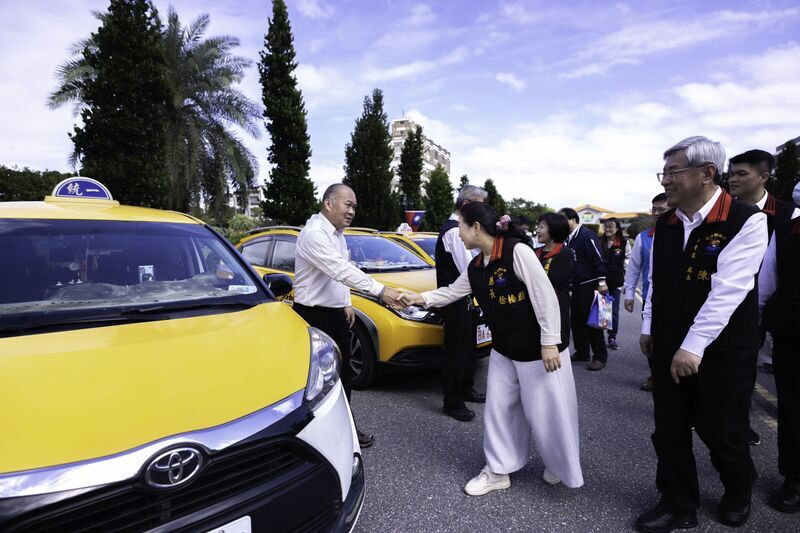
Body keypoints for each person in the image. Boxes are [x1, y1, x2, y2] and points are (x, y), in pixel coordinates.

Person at [398, 203, 583, 495]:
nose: (456, 232)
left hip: (539, 350)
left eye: (459, 225)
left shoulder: (517, 251)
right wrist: (417, 298)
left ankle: (559, 465)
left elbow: (544, 294)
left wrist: (549, 341)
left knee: (549, 414)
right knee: (498, 412)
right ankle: (498, 470)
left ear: (475, 227)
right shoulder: (476, 266)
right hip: (504, 349)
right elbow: (451, 292)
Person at [637, 136, 767, 532]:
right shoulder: (667, 223)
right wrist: (648, 326)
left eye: (673, 172)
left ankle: (738, 488)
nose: (666, 181)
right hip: (669, 343)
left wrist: (692, 347)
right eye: (665, 173)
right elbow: (657, 280)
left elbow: (728, 291)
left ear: (707, 174)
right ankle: (678, 502)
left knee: (723, 431)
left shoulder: (746, 220)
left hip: (723, 350)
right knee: (670, 428)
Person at [294, 183, 402, 448]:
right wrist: (380, 290)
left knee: (344, 378)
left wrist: (345, 303)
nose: (352, 211)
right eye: (347, 204)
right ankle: (316, 438)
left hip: (335, 315)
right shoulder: (314, 234)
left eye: (354, 206)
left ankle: (347, 430)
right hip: (313, 317)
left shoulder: (337, 235)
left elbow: (340, 274)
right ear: (329, 203)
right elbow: (338, 269)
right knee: (316, 382)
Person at [729, 149, 794, 375]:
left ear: (763, 177)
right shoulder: (721, 214)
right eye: (731, 174)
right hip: (730, 305)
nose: (733, 179)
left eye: (742, 174)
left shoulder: (789, 215)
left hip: (776, 312)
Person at [758, 200, 800, 513]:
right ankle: (795, 478)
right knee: (792, 408)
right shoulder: (786, 231)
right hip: (793, 332)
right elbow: (767, 282)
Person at [434, 184, 488, 421]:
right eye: (479, 205)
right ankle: (452, 401)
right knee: (456, 351)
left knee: (468, 347)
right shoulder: (453, 231)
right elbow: (469, 268)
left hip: (465, 298)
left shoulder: (463, 229)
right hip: (454, 299)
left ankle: (466, 389)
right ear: (466, 205)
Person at [623, 193, 669, 391]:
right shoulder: (644, 238)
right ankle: (655, 374)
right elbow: (634, 268)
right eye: (654, 210)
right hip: (651, 299)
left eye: (662, 210)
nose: (657, 214)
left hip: (679, 299)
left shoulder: (687, 232)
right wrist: (630, 293)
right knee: (650, 339)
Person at [557, 207, 609, 370]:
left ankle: (600, 357)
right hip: (577, 286)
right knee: (576, 321)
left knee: (593, 323)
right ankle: (582, 352)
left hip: (591, 284)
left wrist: (602, 282)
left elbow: (598, 257)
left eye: (563, 219)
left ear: (573, 220)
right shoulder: (568, 238)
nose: (560, 223)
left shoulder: (586, 235)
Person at [535, 212, 574, 356]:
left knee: (555, 350)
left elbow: (551, 281)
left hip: (556, 308)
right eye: (538, 226)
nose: (537, 230)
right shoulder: (535, 252)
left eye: (542, 227)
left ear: (554, 229)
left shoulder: (566, 253)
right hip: (535, 308)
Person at [599, 217, 629, 350]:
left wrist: (627, 282)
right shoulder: (599, 242)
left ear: (617, 228)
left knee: (614, 311)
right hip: (601, 282)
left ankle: (612, 337)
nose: (608, 229)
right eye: (606, 226)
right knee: (603, 310)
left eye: (611, 226)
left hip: (616, 282)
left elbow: (628, 261)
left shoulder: (623, 243)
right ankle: (598, 336)